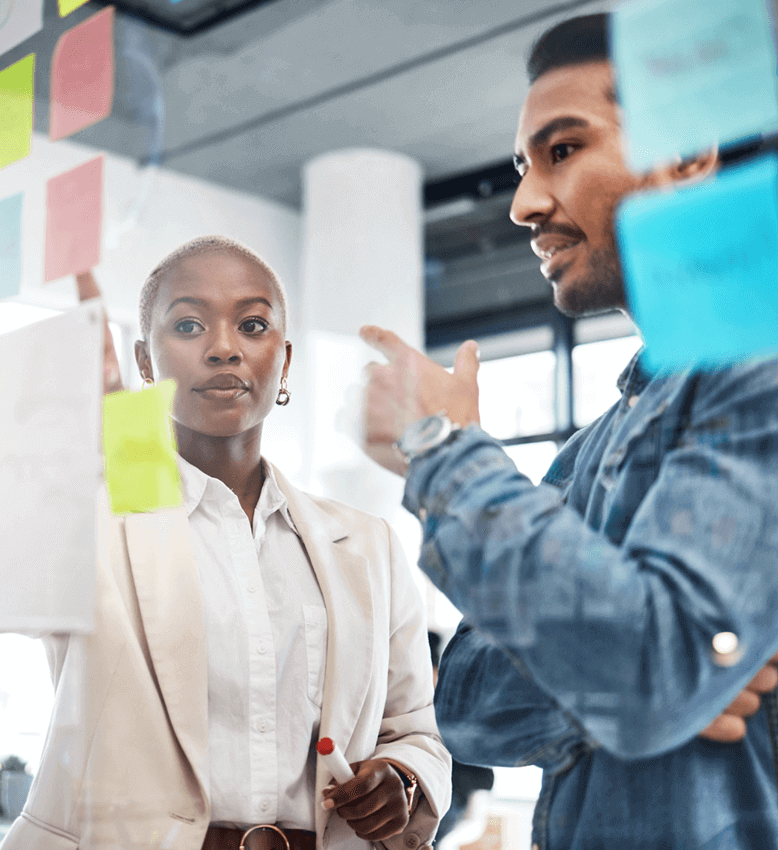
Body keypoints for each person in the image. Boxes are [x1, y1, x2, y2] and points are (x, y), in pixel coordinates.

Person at [358, 13, 778, 850]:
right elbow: (464, 702)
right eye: (523, 166)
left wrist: (442, 450)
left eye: (562, 150)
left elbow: (653, 667)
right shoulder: (592, 447)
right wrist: (626, 684)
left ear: (688, 154)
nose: (523, 204)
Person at [1, 236, 450, 850]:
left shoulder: (368, 546)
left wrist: (400, 777)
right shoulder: (83, 521)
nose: (223, 348)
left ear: (283, 361)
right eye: (188, 325)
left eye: (253, 324)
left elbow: (417, 732)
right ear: (144, 360)